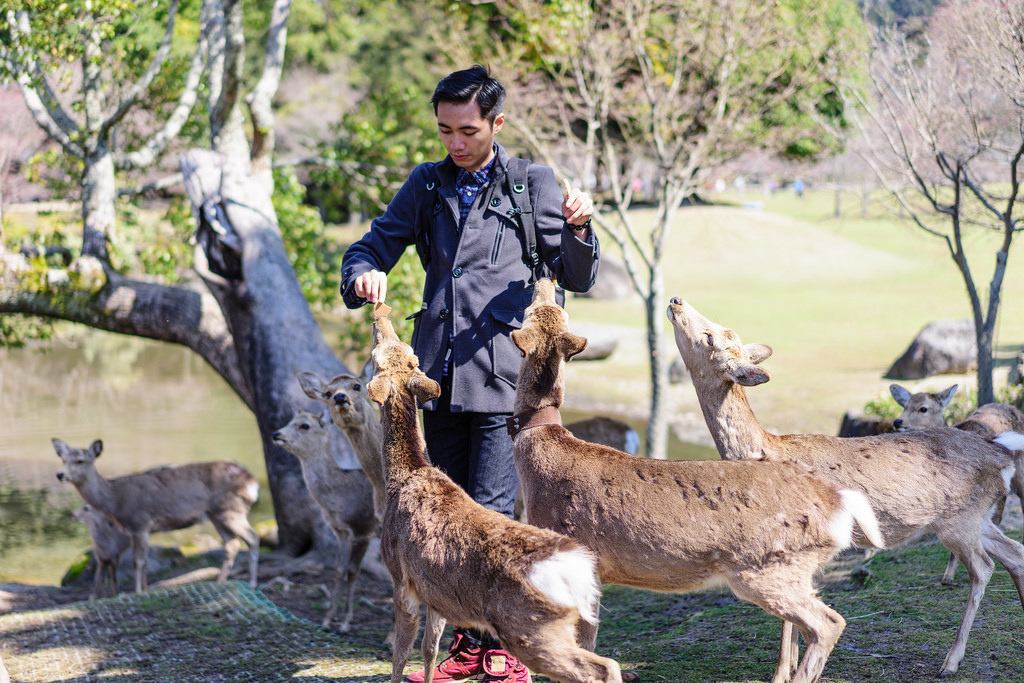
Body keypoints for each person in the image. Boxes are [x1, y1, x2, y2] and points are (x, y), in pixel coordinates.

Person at [340, 65, 600, 683]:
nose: (454, 143)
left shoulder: (529, 182)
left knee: (488, 513)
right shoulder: (428, 185)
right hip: (436, 381)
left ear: (496, 124)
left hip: (505, 380)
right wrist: (362, 274)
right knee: (448, 527)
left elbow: (577, 274)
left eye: (467, 130)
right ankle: (468, 646)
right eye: (444, 131)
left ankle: (508, 646)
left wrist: (580, 226)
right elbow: (372, 245)